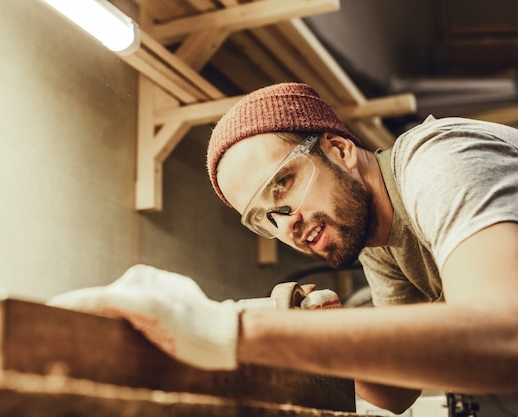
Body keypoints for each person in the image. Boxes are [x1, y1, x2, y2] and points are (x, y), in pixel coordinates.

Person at [50, 83, 518, 414]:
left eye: (284, 183)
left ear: (338, 148)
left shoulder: (438, 162)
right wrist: (318, 332)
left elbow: (506, 338)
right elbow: (397, 393)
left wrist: (227, 330)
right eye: (264, 217)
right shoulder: (375, 238)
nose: (287, 221)